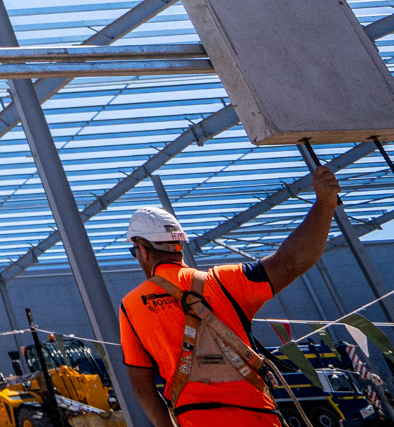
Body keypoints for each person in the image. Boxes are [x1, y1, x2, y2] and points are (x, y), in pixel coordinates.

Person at [118, 165, 340, 427]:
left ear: (143, 251)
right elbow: (290, 263)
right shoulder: (223, 281)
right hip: (259, 419)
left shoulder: (131, 305)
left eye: (135, 253)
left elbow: (143, 390)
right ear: (178, 246)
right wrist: (324, 206)